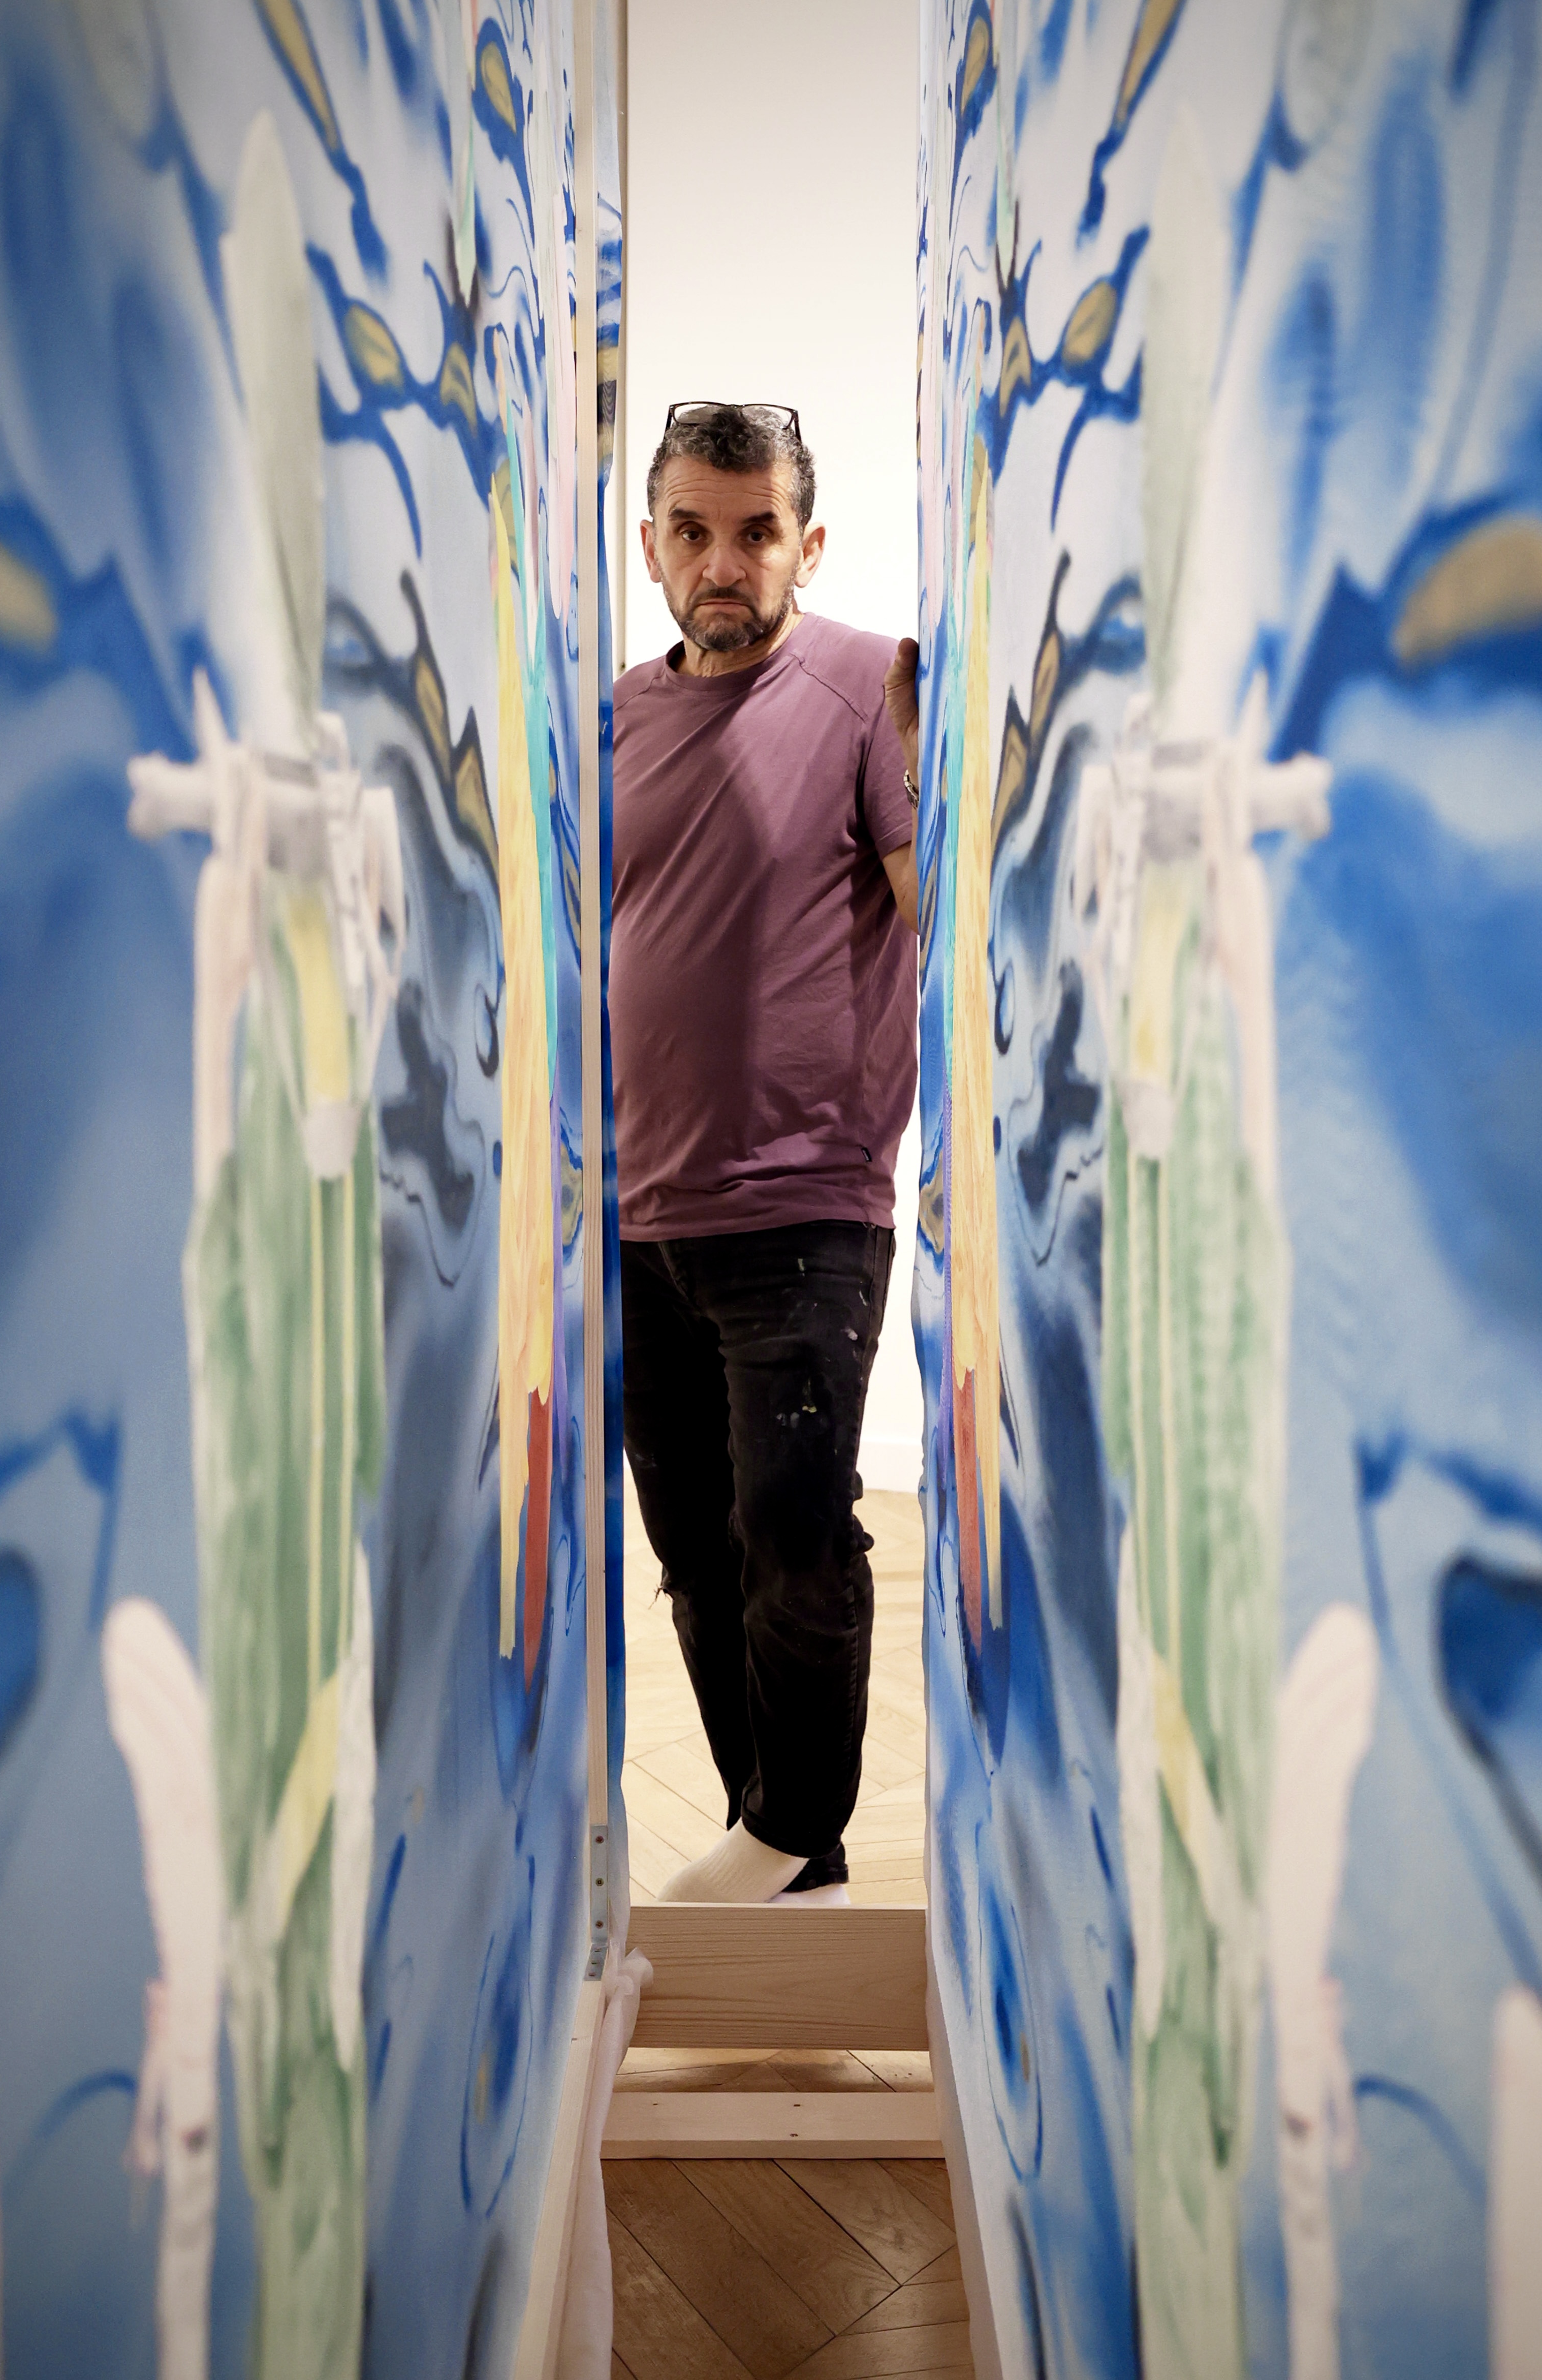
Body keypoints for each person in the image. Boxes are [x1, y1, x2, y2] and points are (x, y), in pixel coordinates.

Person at [611, 400, 922, 1903]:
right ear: (652, 539)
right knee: (695, 1550)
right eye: (691, 530)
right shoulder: (610, 713)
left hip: (806, 1199)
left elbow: (934, 907)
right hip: (630, 1211)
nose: (720, 562)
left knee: (793, 1524)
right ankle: (779, 1848)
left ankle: (794, 1822)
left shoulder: (872, 687)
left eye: (752, 532)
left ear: (807, 539)